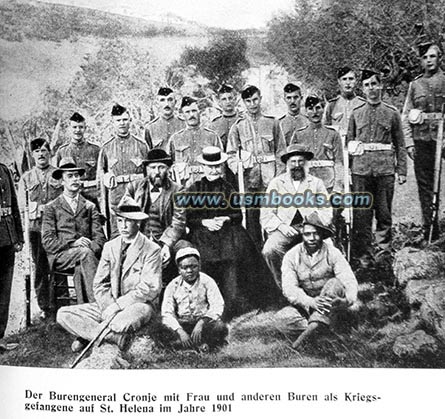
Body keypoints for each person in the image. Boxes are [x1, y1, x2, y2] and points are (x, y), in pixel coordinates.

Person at [57, 198, 162, 353]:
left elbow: (149, 288)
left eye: (128, 221)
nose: (123, 226)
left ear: (138, 223)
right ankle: (112, 337)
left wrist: (118, 306)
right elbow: (99, 283)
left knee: (123, 320)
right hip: (109, 304)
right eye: (120, 221)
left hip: (138, 305)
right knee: (63, 314)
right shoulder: (110, 246)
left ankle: (88, 335)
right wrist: (109, 306)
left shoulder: (151, 249)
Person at [185, 146, 276, 318]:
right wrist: (204, 222)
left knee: (236, 254)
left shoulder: (228, 188)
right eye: (210, 167)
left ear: (221, 167)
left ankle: (235, 301)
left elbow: (237, 215)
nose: (213, 170)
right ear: (203, 168)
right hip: (203, 234)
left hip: (227, 233)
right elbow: (189, 217)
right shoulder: (194, 188)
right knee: (203, 258)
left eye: (217, 166)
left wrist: (225, 219)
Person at [347, 69, 407, 267]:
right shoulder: (356, 114)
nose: (371, 89)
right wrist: (348, 172)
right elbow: (349, 143)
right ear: (362, 89)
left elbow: (400, 143)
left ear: (380, 86)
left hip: (384, 170)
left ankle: (383, 254)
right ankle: (364, 257)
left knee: (383, 213)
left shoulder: (391, 113)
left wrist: (402, 171)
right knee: (362, 214)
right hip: (361, 171)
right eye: (366, 85)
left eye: (374, 84)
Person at [277, 212, 358, 349]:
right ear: (302, 235)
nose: (312, 238)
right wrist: (311, 302)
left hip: (331, 304)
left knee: (334, 283)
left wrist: (347, 300)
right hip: (308, 305)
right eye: (307, 234)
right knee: (281, 319)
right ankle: (322, 331)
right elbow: (289, 288)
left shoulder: (333, 253)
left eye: (316, 234)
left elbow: (348, 279)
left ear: (321, 235)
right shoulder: (291, 256)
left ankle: (306, 336)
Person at [261, 144, 332, 289]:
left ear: (306, 163)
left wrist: (315, 226)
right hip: (285, 228)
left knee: (329, 249)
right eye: (293, 162)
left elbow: (326, 210)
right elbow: (266, 213)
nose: (297, 165)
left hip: (313, 228)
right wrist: (281, 226)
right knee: (270, 249)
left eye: (301, 161)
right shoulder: (276, 183)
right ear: (287, 164)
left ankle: (319, 288)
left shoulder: (316, 183)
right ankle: (285, 288)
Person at [226, 85, 286, 247]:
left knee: (273, 218)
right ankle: (256, 257)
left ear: (260, 99)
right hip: (249, 181)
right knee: (252, 221)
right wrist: (239, 162)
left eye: (255, 100)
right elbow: (230, 155)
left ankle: (272, 252)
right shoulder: (238, 127)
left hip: (270, 180)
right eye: (248, 101)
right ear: (244, 102)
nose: (252, 104)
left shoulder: (272, 123)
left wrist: (280, 178)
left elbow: (281, 153)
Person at [41, 158, 106, 303]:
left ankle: (84, 309)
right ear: (62, 181)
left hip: (86, 255)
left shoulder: (90, 206)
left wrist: (91, 248)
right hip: (61, 255)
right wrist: (73, 244)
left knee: (84, 261)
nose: (75, 179)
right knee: (84, 255)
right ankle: (100, 304)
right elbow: (47, 241)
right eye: (70, 176)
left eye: (77, 175)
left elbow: (100, 238)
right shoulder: (52, 208)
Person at [123, 148, 188, 280]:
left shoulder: (178, 190)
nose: (157, 172)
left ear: (168, 169)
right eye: (152, 168)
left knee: (185, 250)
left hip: (166, 239)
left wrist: (166, 245)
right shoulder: (134, 188)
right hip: (140, 238)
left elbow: (178, 221)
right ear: (146, 169)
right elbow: (125, 216)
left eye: (161, 167)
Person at [402, 42, 445, 241]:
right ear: (421, 61)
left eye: (433, 56)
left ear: (439, 58)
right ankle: (430, 228)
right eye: (425, 57)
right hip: (423, 141)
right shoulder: (415, 85)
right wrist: (409, 143)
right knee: (425, 187)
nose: (429, 60)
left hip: (442, 140)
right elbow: (406, 116)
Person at [19, 138, 62, 318]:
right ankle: (44, 306)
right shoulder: (27, 178)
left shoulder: (58, 174)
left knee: (58, 264)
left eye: (44, 150)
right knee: (40, 267)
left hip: (56, 229)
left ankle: (61, 303)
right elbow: (22, 206)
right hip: (36, 229)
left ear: (50, 153)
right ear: (32, 154)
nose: (41, 154)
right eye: (37, 151)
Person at [98, 103, 150, 238]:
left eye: (125, 119)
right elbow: (101, 175)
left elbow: (149, 173)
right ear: (112, 123)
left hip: (137, 194)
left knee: (139, 229)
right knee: (118, 233)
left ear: (130, 121)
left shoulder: (141, 145)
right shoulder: (106, 148)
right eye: (118, 120)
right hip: (116, 195)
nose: (122, 123)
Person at [161, 247, 228, 351]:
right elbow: (167, 312)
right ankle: (196, 344)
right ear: (179, 270)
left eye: (193, 267)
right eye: (185, 267)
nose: (189, 271)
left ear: (199, 266)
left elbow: (217, 305)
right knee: (159, 328)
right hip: (182, 323)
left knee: (219, 327)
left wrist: (201, 322)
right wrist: (180, 331)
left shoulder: (207, 281)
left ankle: (197, 344)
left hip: (203, 324)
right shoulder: (172, 286)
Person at [291, 95, 344, 193]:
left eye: (318, 108)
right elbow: (293, 163)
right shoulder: (298, 134)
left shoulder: (333, 134)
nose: (315, 112)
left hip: (328, 183)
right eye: (310, 109)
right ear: (306, 112)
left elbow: (339, 163)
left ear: (323, 109)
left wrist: (337, 189)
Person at [168, 96, 223, 187]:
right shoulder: (175, 139)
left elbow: (221, 165)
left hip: (208, 185)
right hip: (184, 185)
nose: (191, 115)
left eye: (194, 111)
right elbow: (169, 166)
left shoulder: (212, 136)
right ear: (182, 115)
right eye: (187, 112)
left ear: (199, 113)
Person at [0, 162, 23, 351]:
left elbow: (13, 203)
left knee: (4, 290)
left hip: (7, 237)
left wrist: (19, 236)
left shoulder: (4, 169)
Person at [55, 112, 101, 207]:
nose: (78, 130)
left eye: (81, 127)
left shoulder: (96, 150)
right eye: (74, 127)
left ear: (85, 128)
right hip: (70, 196)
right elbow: (58, 179)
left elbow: (101, 174)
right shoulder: (62, 151)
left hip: (91, 195)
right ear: (69, 129)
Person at [323, 66, 366, 138]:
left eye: (351, 79)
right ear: (339, 81)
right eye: (344, 79)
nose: (348, 82)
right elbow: (325, 130)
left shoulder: (363, 104)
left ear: (356, 81)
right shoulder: (331, 105)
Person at [208, 84, 241, 150]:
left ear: (234, 100)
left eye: (230, 98)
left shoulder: (242, 121)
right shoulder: (214, 125)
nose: (228, 101)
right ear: (219, 102)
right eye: (224, 99)